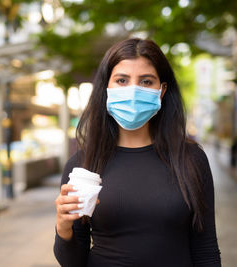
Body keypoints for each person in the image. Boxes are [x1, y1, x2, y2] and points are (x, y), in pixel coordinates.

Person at [54, 38, 221, 267]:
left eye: (146, 81)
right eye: (122, 80)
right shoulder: (82, 165)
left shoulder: (191, 159)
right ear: (106, 88)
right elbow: (73, 262)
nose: (133, 90)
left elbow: (206, 249)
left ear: (161, 90)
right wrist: (63, 228)